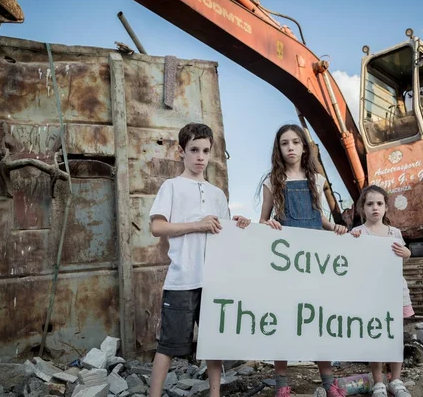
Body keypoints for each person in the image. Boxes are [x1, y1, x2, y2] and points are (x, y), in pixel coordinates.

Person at [148, 123, 251, 397]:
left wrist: (238, 224)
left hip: (212, 281)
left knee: (213, 344)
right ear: (181, 151)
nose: (200, 157)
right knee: (168, 345)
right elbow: (157, 227)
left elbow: (222, 233)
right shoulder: (171, 186)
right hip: (181, 279)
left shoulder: (217, 194)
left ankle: (215, 394)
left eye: (205, 151)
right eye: (194, 150)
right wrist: (197, 225)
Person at [258, 124, 348, 397]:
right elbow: (262, 220)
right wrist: (268, 224)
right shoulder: (272, 181)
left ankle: (328, 382)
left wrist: (336, 228)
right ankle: (282, 384)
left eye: (296, 142)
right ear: (279, 148)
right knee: (284, 319)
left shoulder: (317, 181)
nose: (291, 148)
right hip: (287, 262)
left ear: (304, 147)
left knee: (318, 319)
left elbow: (318, 218)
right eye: (285, 143)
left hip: (315, 261)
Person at [350, 185, 414, 397]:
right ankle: (378, 381)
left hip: (395, 290)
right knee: (375, 335)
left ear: (386, 207)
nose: (375, 208)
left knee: (396, 336)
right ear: (362, 208)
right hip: (372, 293)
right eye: (370, 204)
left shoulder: (394, 233)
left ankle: (396, 380)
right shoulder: (358, 233)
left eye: (379, 204)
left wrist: (407, 253)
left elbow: (402, 256)